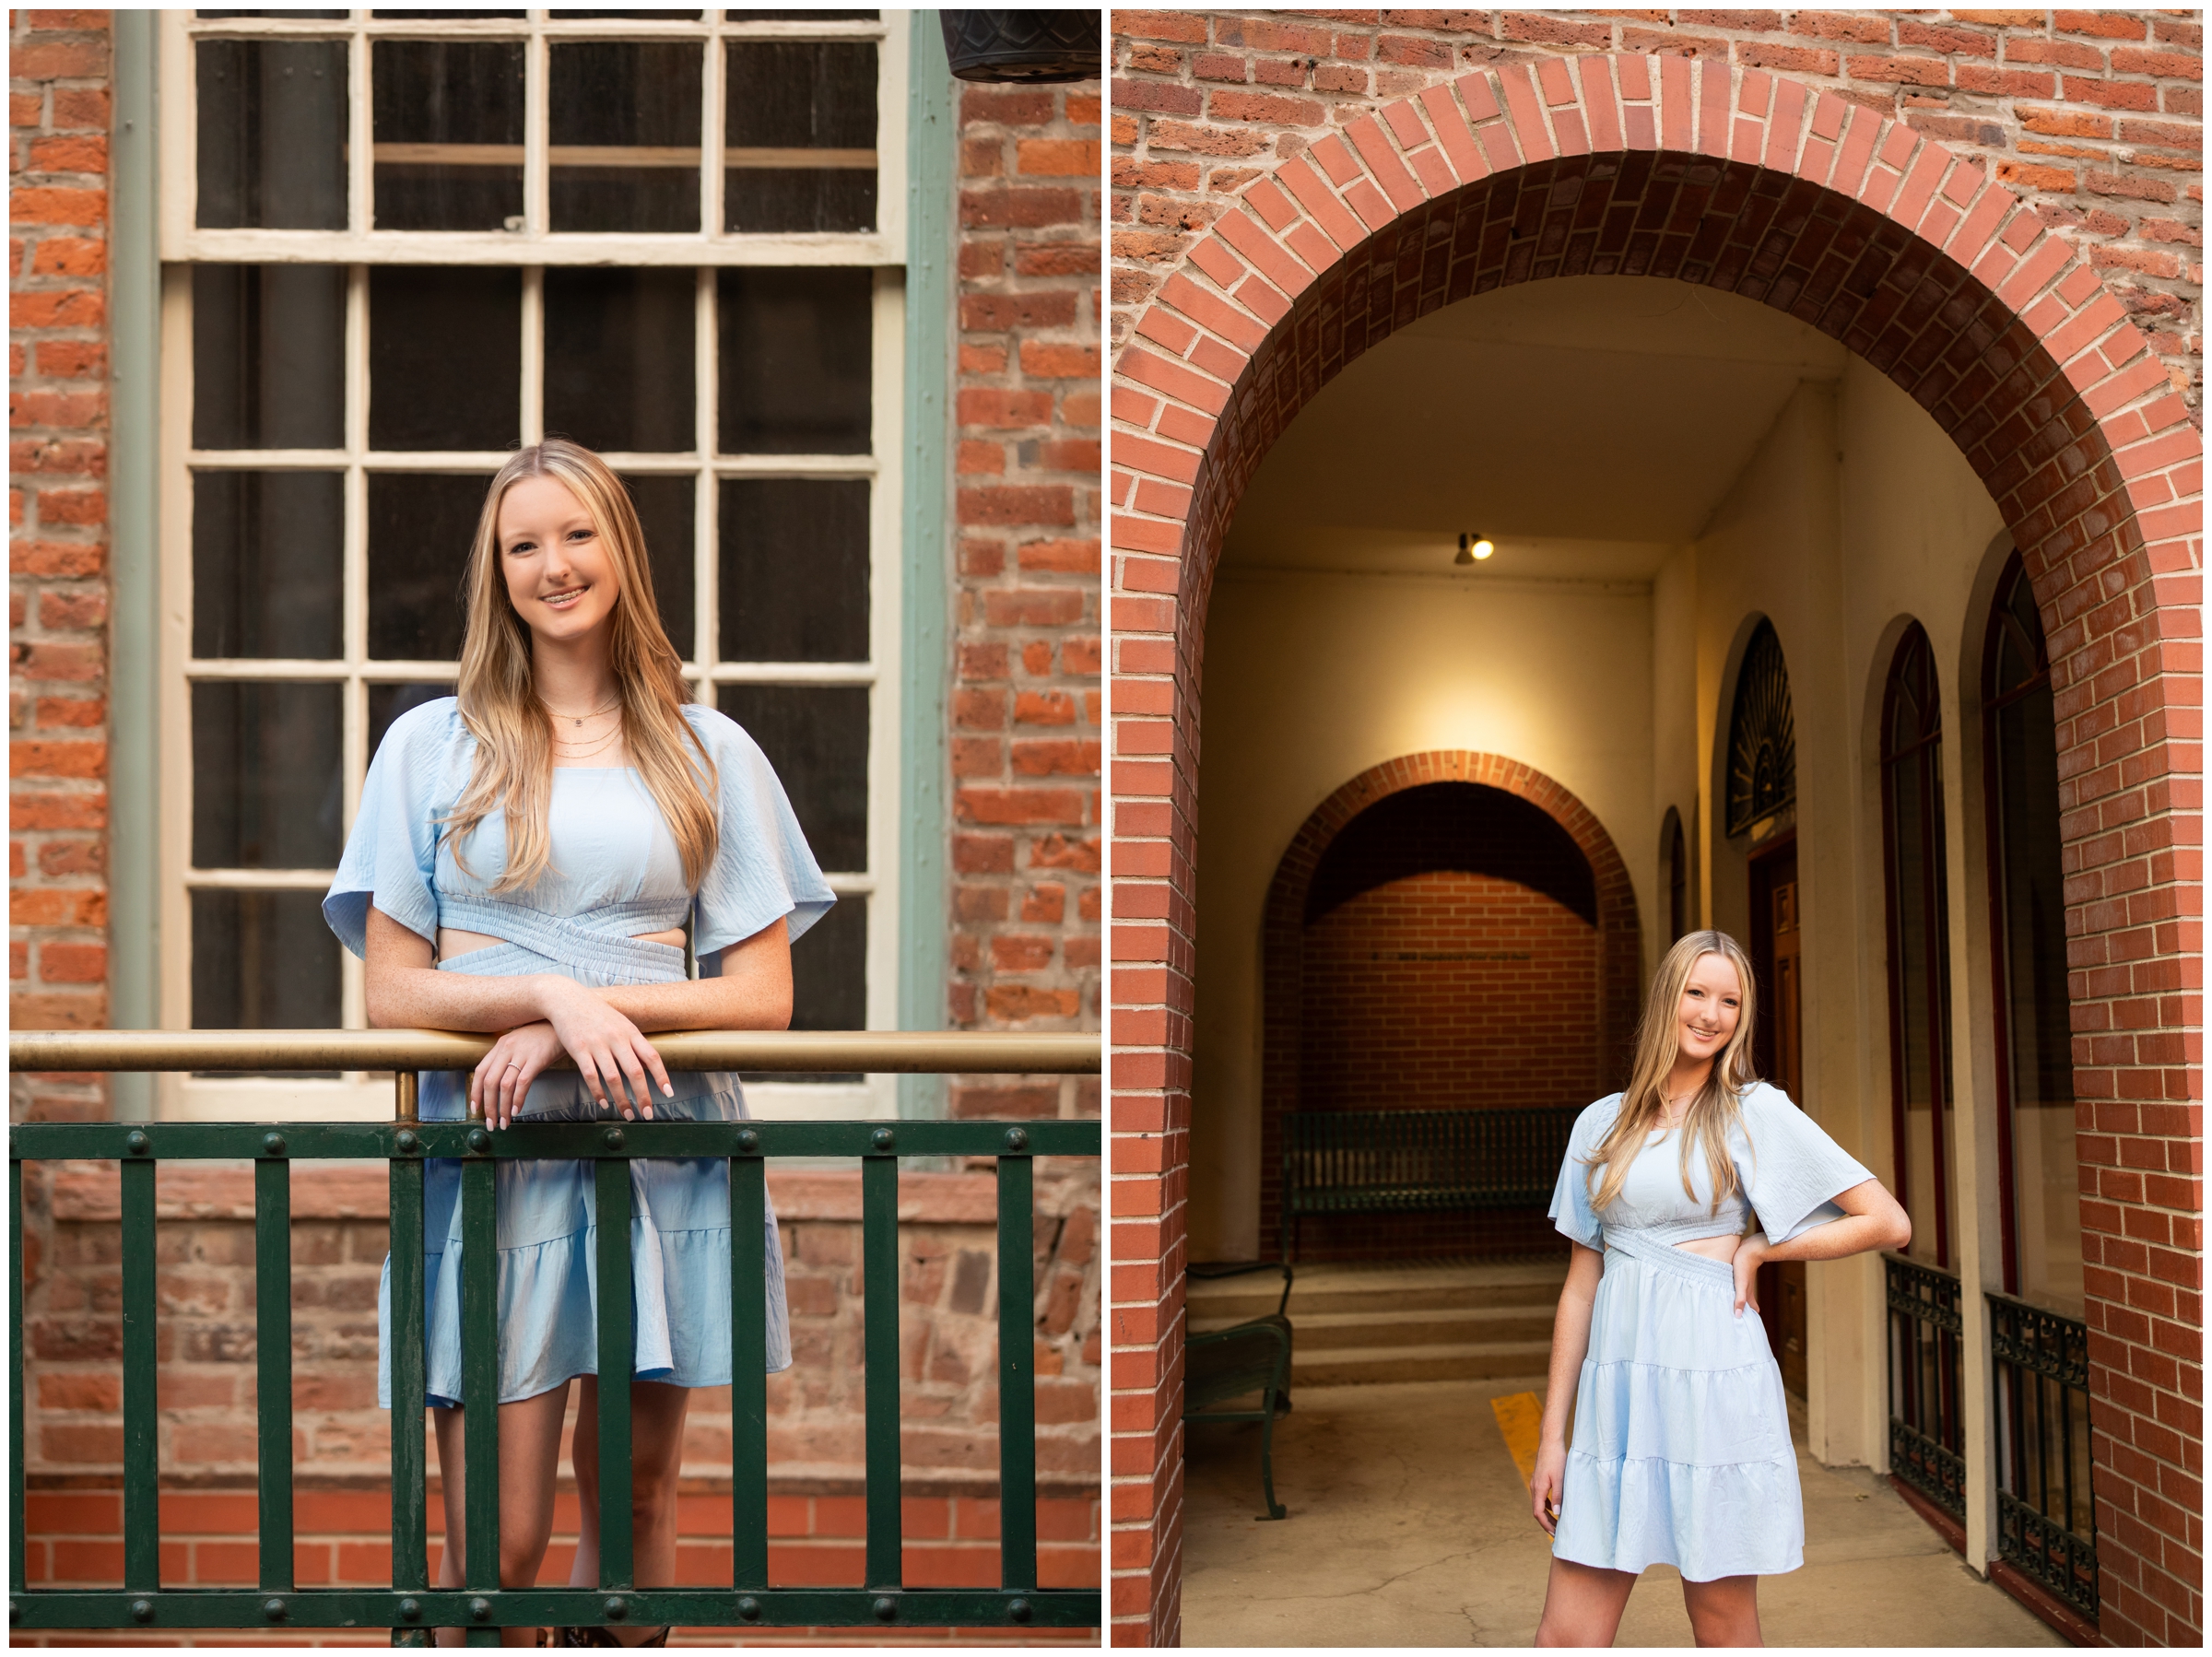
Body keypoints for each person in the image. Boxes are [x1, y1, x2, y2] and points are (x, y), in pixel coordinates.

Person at [323, 439, 835, 1648]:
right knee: (498, 1542)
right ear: (495, 575)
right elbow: (392, 992)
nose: (555, 565)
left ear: (620, 551)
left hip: (659, 1142)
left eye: (578, 534)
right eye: (524, 545)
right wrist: (551, 1000)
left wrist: (594, 1022)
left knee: (637, 1496)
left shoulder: (709, 751)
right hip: (497, 1149)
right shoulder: (428, 747)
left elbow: (762, 996)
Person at [1528, 930, 1911, 1648]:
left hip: (1715, 1381)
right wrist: (1554, 1439)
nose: (1711, 1013)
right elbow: (1580, 1290)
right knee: (1567, 1635)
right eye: (1696, 993)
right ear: (1665, 1000)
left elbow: (1886, 1220)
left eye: (1730, 1000)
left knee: (1721, 1623)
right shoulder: (1600, 1123)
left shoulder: (1752, 1110)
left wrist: (1765, 1247)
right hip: (1619, 1399)